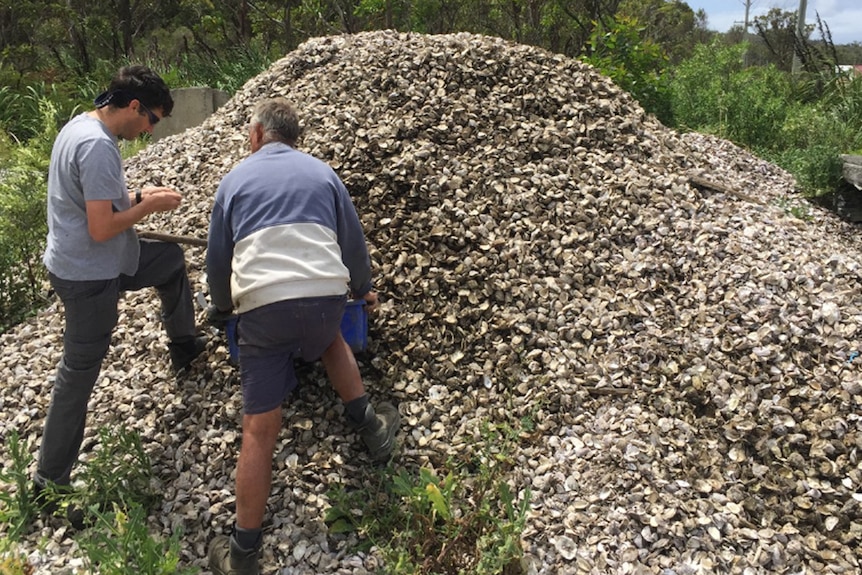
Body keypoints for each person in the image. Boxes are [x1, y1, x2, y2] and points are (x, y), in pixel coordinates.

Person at [205, 97, 399, 575]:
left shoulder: (233, 181)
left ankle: (244, 553)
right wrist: (363, 290)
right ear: (295, 138)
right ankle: (370, 426)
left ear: (256, 135)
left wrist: (221, 308)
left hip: (264, 311)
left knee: (260, 427)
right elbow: (351, 242)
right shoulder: (324, 174)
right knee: (331, 338)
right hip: (325, 299)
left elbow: (217, 259)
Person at [35, 65, 206, 514]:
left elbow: (97, 203)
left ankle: (184, 344)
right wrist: (147, 207)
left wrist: (134, 197)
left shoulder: (81, 126)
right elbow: (102, 226)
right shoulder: (96, 146)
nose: (149, 130)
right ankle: (48, 484)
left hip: (99, 260)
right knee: (78, 373)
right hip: (89, 274)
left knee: (169, 261)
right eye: (151, 120)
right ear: (133, 106)